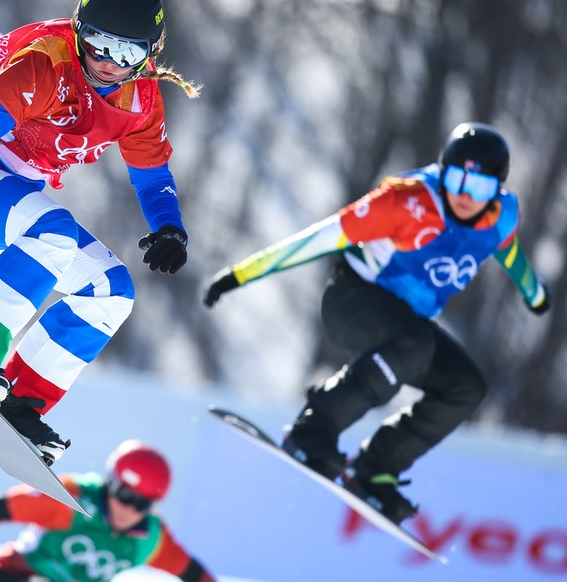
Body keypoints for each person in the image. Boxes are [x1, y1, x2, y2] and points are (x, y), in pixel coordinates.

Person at [0, 0, 200, 464]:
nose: (107, 63)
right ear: (79, 30)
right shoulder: (46, 64)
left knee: (111, 290)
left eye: (127, 54)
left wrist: (170, 225)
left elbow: (152, 178)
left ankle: (21, 403)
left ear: (151, 52)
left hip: (12, 195)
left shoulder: (141, 99)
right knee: (53, 231)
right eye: (98, 45)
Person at [203, 123, 550, 524]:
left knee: (466, 386)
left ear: (498, 192)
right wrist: (241, 274)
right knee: (414, 343)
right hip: (352, 301)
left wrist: (535, 294)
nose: (464, 196)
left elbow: (509, 252)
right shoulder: (405, 201)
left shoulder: (501, 217)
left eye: (480, 188)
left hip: (406, 327)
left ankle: (375, 469)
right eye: (456, 180)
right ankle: (312, 431)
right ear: (442, 172)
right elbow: (321, 237)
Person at [0, 440, 217, 582]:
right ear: (110, 484)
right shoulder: (74, 500)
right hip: (17, 576)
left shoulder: (150, 539)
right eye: (123, 495)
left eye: (141, 504)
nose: (128, 509)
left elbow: (192, 573)